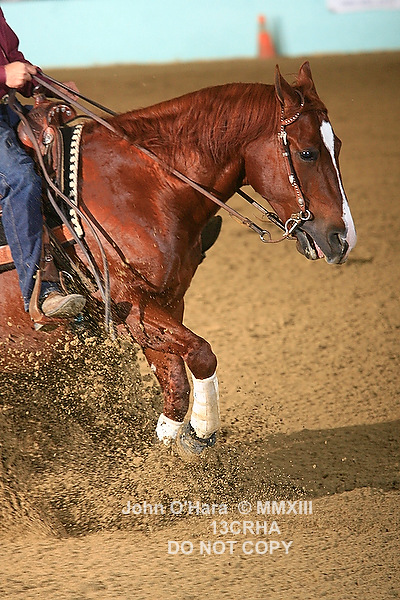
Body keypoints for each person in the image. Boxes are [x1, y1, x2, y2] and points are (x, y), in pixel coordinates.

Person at [0, 8, 85, 320]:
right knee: (20, 179)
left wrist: (42, 83)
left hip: (7, 110)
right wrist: (3, 75)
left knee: (73, 150)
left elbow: (12, 57)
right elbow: (6, 71)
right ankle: (41, 291)